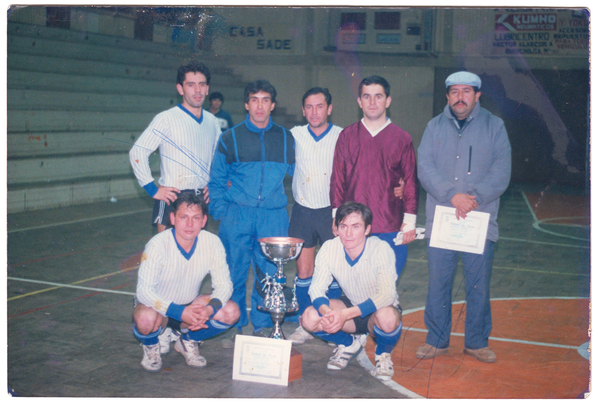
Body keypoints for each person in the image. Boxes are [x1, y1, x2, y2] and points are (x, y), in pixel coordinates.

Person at [416, 71, 511, 363]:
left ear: (477, 95)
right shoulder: (434, 127)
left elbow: (502, 170)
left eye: (466, 92)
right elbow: (425, 167)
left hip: (479, 221)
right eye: (454, 92)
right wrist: (452, 195)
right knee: (439, 283)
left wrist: (475, 198)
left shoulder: (495, 126)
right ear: (447, 96)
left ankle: (477, 342)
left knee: (478, 285)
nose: (460, 97)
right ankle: (436, 340)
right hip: (442, 219)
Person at [208, 80, 295, 342]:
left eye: (265, 100)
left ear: (273, 105)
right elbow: (217, 179)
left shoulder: (285, 137)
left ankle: (261, 322)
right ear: (246, 104)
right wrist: (221, 212)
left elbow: (301, 174)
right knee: (233, 270)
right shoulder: (230, 137)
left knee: (268, 273)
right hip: (237, 215)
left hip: (272, 215)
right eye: (254, 100)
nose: (260, 105)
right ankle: (235, 322)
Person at [132, 192, 240, 372]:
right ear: (173, 218)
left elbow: (224, 285)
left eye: (196, 218)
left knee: (231, 311)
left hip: (190, 306)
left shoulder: (213, 243)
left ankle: (187, 341)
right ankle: (152, 345)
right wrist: (177, 311)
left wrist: (208, 310)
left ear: (204, 221)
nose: (190, 224)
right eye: (184, 217)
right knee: (145, 319)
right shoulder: (157, 244)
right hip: (159, 307)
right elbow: (144, 291)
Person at [301, 201, 403, 381]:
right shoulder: (329, 248)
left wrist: (345, 314)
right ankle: (349, 344)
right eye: (343, 226)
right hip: (351, 308)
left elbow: (387, 295)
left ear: (367, 229)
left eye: (355, 227)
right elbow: (316, 288)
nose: (348, 233)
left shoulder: (380, 249)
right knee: (310, 318)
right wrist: (327, 313)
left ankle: (383, 355)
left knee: (387, 319)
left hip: (377, 310)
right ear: (336, 228)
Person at [129, 61, 221, 233]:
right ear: (180, 89)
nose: (198, 90)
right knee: (169, 256)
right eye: (191, 85)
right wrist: (152, 189)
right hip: (173, 196)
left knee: (197, 257)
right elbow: (137, 151)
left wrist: (215, 182)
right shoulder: (166, 119)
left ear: (207, 89)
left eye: (202, 85)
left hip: (201, 198)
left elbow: (218, 158)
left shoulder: (213, 122)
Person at [286, 87, 344, 345]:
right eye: (308, 107)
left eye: (319, 106)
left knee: (334, 272)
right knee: (304, 269)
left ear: (329, 108)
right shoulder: (294, 135)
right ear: (302, 110)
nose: (314, 112)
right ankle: (303, 321)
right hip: (302, 210)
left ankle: (333, 324)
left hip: (331, 212)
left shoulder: (342, 136)